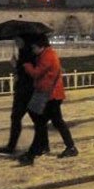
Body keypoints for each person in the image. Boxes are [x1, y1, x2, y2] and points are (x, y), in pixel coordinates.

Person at [19, 34, 77, 166]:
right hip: (50, 94)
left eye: (34, 47)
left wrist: (26, 65)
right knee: (55, 122)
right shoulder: (45, 54)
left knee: (41, 123)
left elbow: (36, 73)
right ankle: (67, 147)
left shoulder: (48, 56)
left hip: (50, 95)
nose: (32, 50)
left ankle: (32, 154)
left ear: (41, 46)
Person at [0, 36, 39, 156]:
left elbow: (30, 72)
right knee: (32, 119)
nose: (16, 42)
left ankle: (11, 147)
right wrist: (16, 66)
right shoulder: (25, 52)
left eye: (18, 40)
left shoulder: (29, 55)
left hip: (26, 91)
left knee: (19, 118)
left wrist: (17, 65)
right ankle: (42, 145)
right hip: (25, 90)